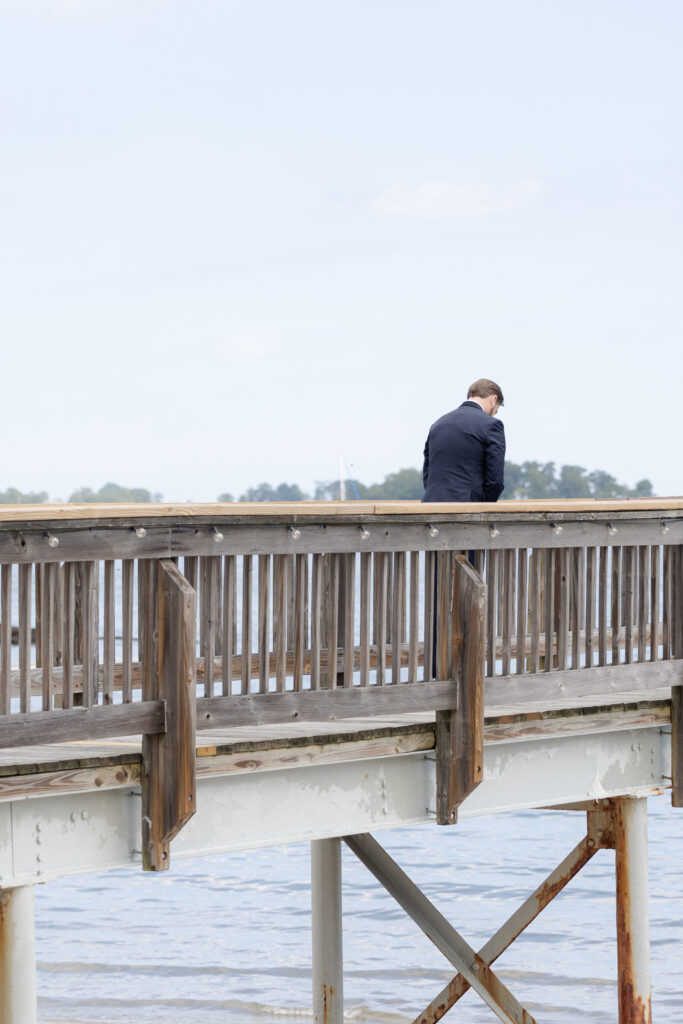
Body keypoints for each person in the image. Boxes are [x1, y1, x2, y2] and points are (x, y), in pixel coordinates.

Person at [422, 379, 506, 502]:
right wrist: (485, 504)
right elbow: (495, 479)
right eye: (495, 411)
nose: (493, 415)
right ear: (494, 399)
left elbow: (427, 473)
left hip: (431, 505)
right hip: (468, 507)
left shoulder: (438, 424)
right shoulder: (491, 425)